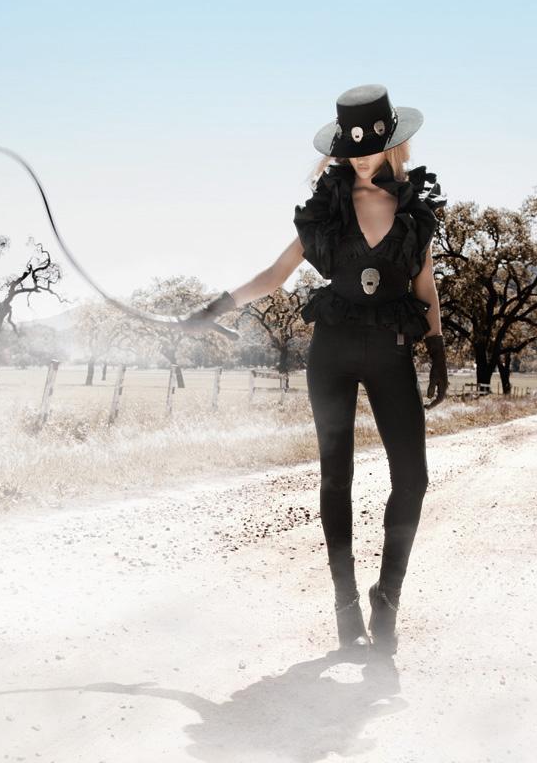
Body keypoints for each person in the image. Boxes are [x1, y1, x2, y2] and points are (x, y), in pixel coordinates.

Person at [182, 84, 449, 656]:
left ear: (392, 142)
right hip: (332, 353)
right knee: (336, 477)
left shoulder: (414, 211)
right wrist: (215, 308)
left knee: (413, 479)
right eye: (351, 147)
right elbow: (275, 275)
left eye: (370, 145)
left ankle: (387, 598)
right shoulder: (327, 208)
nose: (360, 157)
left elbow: (425, 285)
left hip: (392, 352)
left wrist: (438, 347)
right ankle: (345, 602)